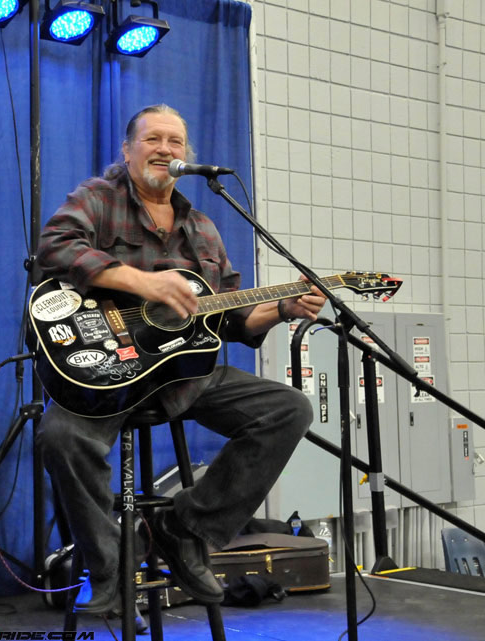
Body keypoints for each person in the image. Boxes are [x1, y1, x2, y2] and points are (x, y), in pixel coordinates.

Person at [35, 104, 327, 613]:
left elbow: (232, 318)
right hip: (106, 373)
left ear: (186, 156)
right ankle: (109, 566)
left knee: (289, 410)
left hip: (184, 376)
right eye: (153, 139)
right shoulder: (99, 200)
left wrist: (281, 308)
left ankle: (184, 530)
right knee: (61, 438)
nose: (165, 149)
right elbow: (55, 248)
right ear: (128, 151)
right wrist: (142, 282)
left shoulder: (205, 229)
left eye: (175, 141)